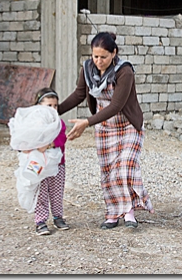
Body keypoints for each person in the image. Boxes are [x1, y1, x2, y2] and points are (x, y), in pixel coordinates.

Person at [58, 32, 154, 229]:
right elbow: (78, 94)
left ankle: (129, 212)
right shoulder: (87, 69)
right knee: (109, 171)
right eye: (95, 56)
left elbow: (117, 105)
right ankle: (113, 213)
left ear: (114, 53)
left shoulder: (124, 71)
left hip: (127, 124)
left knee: (126, 165)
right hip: (105, 127)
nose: (98, 61)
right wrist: (54, 110)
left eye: (103, 57)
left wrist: (87, 122)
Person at [30, 87, 70, 236]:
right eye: (49, 106)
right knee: (40, 193)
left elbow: (61, 138)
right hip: (38, 164)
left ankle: (58, 217)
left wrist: (49, 144)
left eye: (55, 106)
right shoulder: (33, 123)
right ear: (39, 106)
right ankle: (40, 221)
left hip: (57, 164)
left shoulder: (59, 123)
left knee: (56, 192)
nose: (53, 109)